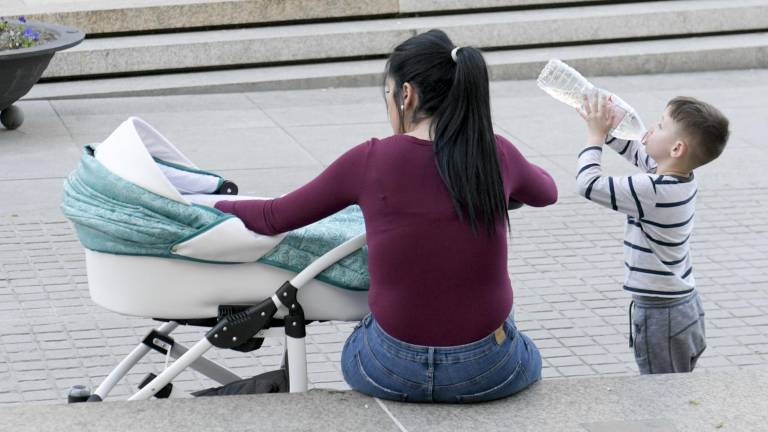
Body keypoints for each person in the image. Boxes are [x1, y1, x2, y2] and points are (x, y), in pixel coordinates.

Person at [214, 29, 558, 402]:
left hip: (389, 371)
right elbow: (547, 192)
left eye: (388, 93)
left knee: (367, 328)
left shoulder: (371, 160)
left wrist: (211, 203)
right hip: (488, 373)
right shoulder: (495, 153)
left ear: (406, 94)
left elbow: (273, 216)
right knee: (513, 335)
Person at [575, 93, 729, 374]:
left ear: (677, 149)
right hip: (682, 307)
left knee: (662, 392)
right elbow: (638, 151)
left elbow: (588, 184)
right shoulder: (680, 179)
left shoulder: (653, 190)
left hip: (662, 315)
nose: (649, 129)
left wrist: (595, 136)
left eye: (659, 125)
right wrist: (611, 125)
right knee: (675, 385)